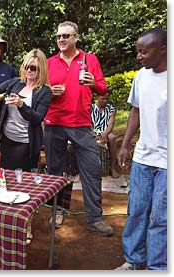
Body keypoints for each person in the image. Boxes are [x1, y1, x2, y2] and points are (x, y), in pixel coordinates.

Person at [44, 21, 113, 236]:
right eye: (58, 36)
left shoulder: (89, 60)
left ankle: (95, 218)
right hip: (54, 123)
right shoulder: (49, 62)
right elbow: (37, 89)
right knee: (55, 172)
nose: (61, 40)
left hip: (82, 124)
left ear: (76, 37)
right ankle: (57, 210)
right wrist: (48, 91)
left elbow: (103, 88)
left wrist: (93, 82)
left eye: (66, 36)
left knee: (91, 171)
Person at [0, 49, 52, 244]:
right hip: (7, 141)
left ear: (41, 70)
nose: (30, 71)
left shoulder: (44, 91)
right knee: (5, 183)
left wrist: (22, 105)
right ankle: (6, 224)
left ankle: (26, 226)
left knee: (24, 185)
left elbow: (37, 118)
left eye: (34, 68)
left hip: (26, 144)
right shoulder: (15, 83)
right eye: (27, 67)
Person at [116, 27, 167, 270]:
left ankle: (158, 267)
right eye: (138, 52)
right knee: (136, 211)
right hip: (144, 157)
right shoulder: (141, 77)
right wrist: (125, 145)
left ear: (163, 50)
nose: (139, 57)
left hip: (168, 163)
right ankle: (134, 261)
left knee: (161, 218)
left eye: (144, 52)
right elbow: (135, 111)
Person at [91, 92, 120, 178]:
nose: (105, 101)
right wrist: (93, 134)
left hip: (105, 132)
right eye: (102, 99)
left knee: (112, 137)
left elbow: (111, 124)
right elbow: (88, 123)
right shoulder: (90, 108)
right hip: (92, 131)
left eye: (106, 99)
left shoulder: (111, 109)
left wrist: (105, 134)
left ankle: (112, 167)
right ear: (97, 97)